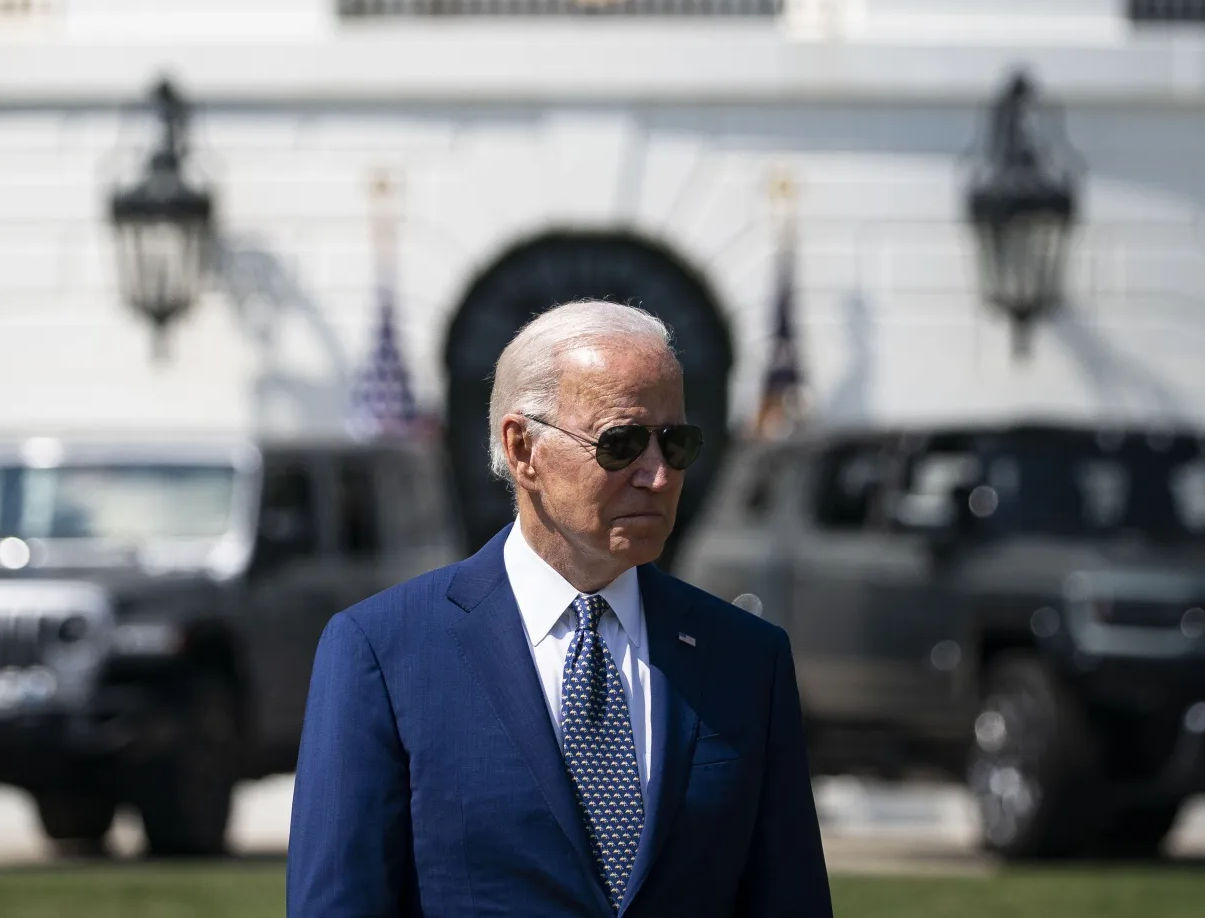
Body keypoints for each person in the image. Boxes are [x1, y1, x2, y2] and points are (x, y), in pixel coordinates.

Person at [288, 301, 833, 917]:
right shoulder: (383, 652)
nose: (657, 476)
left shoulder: (746, 657)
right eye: (622, 443)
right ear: (523, 449)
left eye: (675, 443)